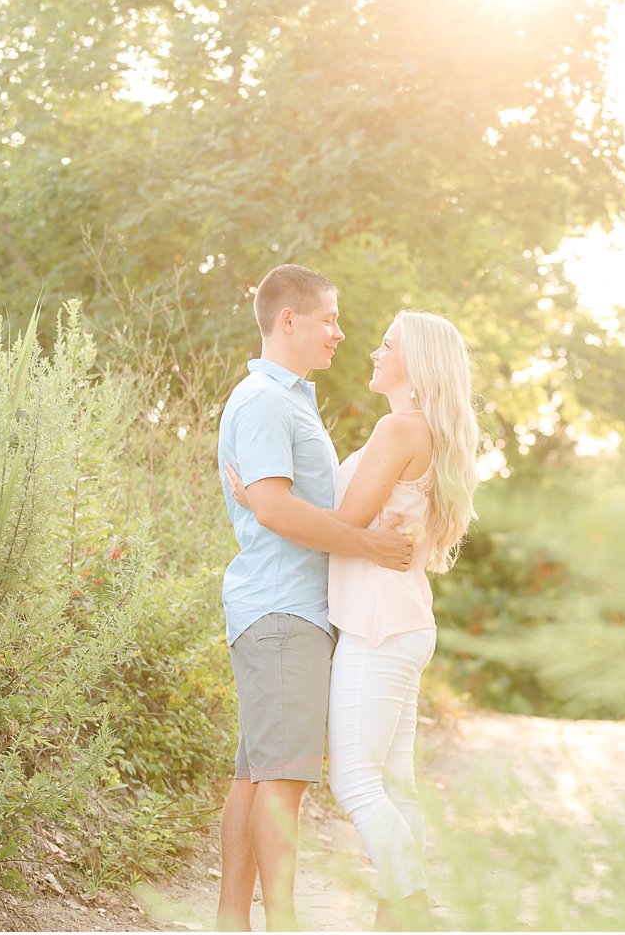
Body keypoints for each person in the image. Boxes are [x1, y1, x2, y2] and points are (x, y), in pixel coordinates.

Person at [231, 310, 480, 930]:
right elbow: (360, 522)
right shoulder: (421, 431)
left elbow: (347, 522)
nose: (373, 351)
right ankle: (400, 913)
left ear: (415, 364)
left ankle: (411, 908)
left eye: (386, 344)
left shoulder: (400, 429)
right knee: (395, 784)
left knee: (356, 782)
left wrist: (265, 501)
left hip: (377, 626)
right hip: (402, 621)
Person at [214, 264, 414, 932]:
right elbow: (273, 508)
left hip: (281, 611)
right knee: (284, 783)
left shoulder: (288, 398)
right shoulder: (267, 400)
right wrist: (368, 547)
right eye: (328, 318)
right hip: (283, 613)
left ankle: (232, 922)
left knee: (259, 776)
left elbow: (275, 501)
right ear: (288, 320)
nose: (340, 332)